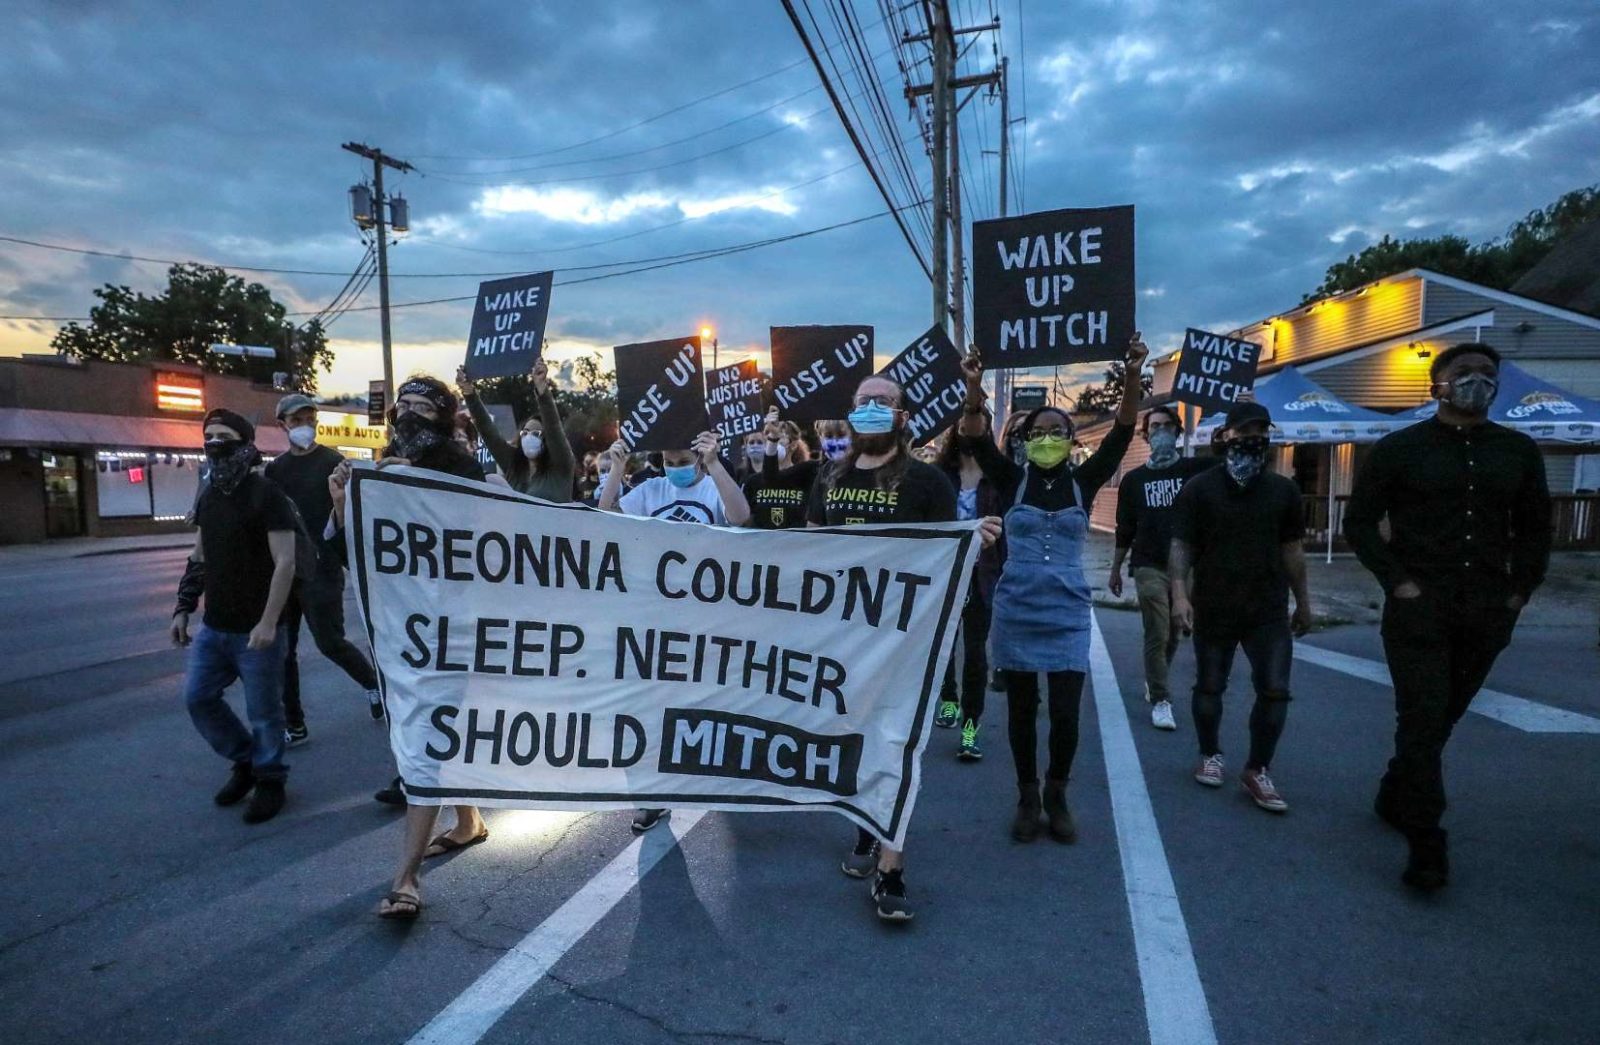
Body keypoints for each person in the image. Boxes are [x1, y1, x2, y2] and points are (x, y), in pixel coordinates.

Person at [1344, 342, 1550, 891]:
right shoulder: (1400, 449)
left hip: (1486, 609)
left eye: (1487, 374)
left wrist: (1518, 593)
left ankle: (1395, 791)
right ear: (1437, 384)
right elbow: (1360, 523)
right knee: (1423, 715)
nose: (1477, 381)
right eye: (1464, 373)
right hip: (1419, 609)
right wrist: (1399, 582)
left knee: (1441, 718)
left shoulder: (1517, 451)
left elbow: (1535, 530)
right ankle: (1427, 842)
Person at [809, 374, 1000, 921]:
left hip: (902, 641)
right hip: (842, 641)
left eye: (883, 402)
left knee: (894, 746)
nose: (871, 408)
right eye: (862, 401)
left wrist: (972, 541)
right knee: (852, 741)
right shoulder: (830, 476)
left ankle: (891, 868)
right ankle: (868, 828)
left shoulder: (926, 482)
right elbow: (808, 547)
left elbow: (944, 557)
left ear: (902, 415)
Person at [959, 336, 1146, 844]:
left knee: (1064, 712)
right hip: (1016, 607)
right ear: (1024, 439)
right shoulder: (1010, 479)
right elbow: (974, 437)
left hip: (1067, 610)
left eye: (1056, 431)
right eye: (1037, 431)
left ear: (1069, 439)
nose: (1046, 438)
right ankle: (1026, 795)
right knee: (1021, 709)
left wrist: (1131, 375)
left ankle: (1057, 792)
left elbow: (1124, 432)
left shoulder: (1084, 483)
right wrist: (973, 386)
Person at [326, 375, 487, 919]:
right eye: (404, 405)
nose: (409, 414)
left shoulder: (462, 467)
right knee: (429, 731)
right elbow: (356, 557)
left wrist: (416, 482)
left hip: (453, 628)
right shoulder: (381, 463)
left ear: (444, 416)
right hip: (405, 627)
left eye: (423, 406)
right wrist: (344, 502)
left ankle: (406, 877)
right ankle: (467, 822)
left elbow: (483, 536)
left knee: (426, 735)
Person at [600, 428, 751, 834]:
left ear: (698, 459)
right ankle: (651, 796)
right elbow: (606, 515)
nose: (677, 468)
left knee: (703, 703)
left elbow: (739, 517)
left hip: (707, 617)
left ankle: (715, 771)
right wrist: (616, 470)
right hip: (653, 615)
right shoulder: (650, 492)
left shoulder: (712, 488)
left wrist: (716, 465)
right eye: (670, 462)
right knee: (645, 706)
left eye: (685, 461)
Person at [1169, 400, 1313, 815]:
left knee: (1275, 690)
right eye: (1244, 431)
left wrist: (1304, 600)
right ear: (1225, 436)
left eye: (1260, 431)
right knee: (1210, 685)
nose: (1253, 438)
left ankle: (1258, 768)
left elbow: (1293, 550)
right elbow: (1182, 546)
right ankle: (1210, 753)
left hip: (1267, 609)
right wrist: (1180, 595)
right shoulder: (1200, 489)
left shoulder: (1284, 490)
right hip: (1213, 604)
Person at [170, 408, 299, 824]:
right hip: (215, 626)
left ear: (245, 443)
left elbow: (285, 563)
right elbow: (199, 555)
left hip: (257, 629)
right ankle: (246, 761)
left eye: (225, 436)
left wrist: (268, 621)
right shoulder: (210, 496)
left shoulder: (267, 495)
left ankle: (270, 780)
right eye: (209, 436)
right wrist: (183, 607)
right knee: (198, 697)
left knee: (265, 713)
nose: (215, 443)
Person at [263, 393, 383, 745]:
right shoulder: (276, 470)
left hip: (322, 567)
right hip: (284, 569)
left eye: (308, 419)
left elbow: (353, 513)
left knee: (330, 642)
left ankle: (372, 683)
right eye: (296, 421)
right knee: (283, 650)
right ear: (282, 425)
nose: (303, 427)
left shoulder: (334, 463)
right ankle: (294, 724)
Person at [1109, 405, 1219, 732]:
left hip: (1185, 567)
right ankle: (1160, 698)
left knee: (1173, 630)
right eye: (1153, 427)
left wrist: (1238, 412)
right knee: (1157, 629)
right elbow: (1124, 527)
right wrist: (1115, 569)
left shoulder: (1194, 471)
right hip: (1148, 563)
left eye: (1166, 425)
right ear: (1145, 434)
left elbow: (1230, 461)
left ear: (1177, 430)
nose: (1160, 432)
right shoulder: (1134, 480)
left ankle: (1156, 677)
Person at [934, 406, 1004, 760]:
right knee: (943, 645)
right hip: (943, 576)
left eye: (977, 424)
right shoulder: (939, 475)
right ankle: (948, 698)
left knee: (976, 654)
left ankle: (970, 724)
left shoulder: (998, 476)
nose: (969, 429)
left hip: (983, 577)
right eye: (963, 424)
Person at [458, 360, 577, 501]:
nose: (528, 437)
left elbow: (554, 427)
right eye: (525, 433)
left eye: (535, 434)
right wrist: (469, 392)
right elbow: (489, 433)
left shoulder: (561, 467)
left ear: (546, 439)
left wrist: (542, 389)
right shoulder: (513, 466)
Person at [743, 410, 819, 530]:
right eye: (767, 438)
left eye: (779, 437)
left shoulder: (807, 475)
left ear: (793, 445)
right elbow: (746, 522)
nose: (771, 442)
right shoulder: (753, 482)